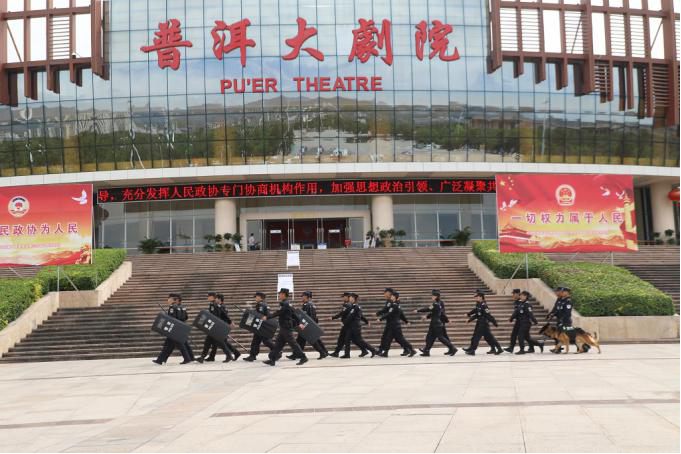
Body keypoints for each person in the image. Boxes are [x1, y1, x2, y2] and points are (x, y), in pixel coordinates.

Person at [263, 289, 308, 366]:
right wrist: (299, 323)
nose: (279, 295)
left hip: (286, 327)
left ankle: (303, 357)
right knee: (278, 344)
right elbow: (294, 314)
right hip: (284, 327)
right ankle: (272, 360)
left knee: (293, 343)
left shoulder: (284, 304)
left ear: (283, 294)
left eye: (280, 294)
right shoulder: (288, 303)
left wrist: (267, 317)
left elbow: (278, 312)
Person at [153, 293, 194, 365]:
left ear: (172, 299)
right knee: (169, 345)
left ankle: (187, 358)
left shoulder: (172, 307)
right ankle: (161, 360)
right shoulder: (181, 307)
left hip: (174, 329)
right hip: (180, 327)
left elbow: (172, 319)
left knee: (180, 344)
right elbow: (185, 317)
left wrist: (167, 317)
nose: (167, 300)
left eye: (169, 298)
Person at [288, 291, 328, 361]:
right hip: (307, 325)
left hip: (307, 326)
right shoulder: (309, 304)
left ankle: (322, 352)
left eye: (303, 296)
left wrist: (306, 325)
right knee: (300, 341)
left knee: (313, 341)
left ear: (306, 296)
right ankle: (296, 354)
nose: (302, 298)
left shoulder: (308, 305)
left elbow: (308, 317)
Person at [200, 293, 240, 362]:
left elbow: (223, 316)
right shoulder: (216, 305)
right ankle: (211, 356)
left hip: (220, 326)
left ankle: (231, 354)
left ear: (218, 299)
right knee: (215, 341)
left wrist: (230, 322)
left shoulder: (219, 306)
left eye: (216, 298)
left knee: (220, 342)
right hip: (218, 326)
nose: (215, 299)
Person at [416, 290, 457, 357]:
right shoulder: (438, 304)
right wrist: (447, 320)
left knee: (440, 337)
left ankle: (453, 348)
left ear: (436, 297)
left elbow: (428, 309)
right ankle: (426, 351)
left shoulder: (435, 304)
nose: (431, 297)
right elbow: (438, 313)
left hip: (436, 324)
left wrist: (418, 310)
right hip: (435, 323)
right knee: (429, 337)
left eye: (433, 296)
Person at [463, 291, 503, 356]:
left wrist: (494, 322)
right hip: (479, 322)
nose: (476, 298)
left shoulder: (484, 305)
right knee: (488, 337)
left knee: (476, 337)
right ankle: (497, 348)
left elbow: (488, 315)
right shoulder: (478, 304)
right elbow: (476, 313)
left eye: (477, 297)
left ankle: (472, 350)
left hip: (483, 323)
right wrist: (469, 317)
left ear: (481, 297)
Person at [377, 291, 416, 357]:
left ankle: (412, 349)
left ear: (394, 297)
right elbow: (401, 315)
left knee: (399, 339)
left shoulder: (394, 305)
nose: (391, 297)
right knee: (389, 339)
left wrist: (380, 319)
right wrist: (406, 321)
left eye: (392, 296)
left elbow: (389, 314)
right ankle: (385, 352)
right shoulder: (397, 305)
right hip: (394, 325)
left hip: (393, 325)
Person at [342, 293, 377, 358]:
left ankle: (373, 350)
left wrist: (344, 323)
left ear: (353, 298)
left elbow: (350, 316)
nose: (349, 298)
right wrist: (366, 321)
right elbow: (361, 316)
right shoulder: (353, 306)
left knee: (359, 340)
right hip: (351, 326)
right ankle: (347, 354)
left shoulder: (356, 307)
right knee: (347, 339)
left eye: (350, 297)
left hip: (355, 327)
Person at [243, 292, 275, 362]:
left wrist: (250, 317)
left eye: (256, 296)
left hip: (261, 326)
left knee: (266, 341)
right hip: (261, 326)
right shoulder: (264, 304)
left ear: (260, 297)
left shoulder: (261, 304)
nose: (255, 298)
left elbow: (259, 315)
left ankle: (277, 351)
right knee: (256, 341)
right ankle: (252, 356)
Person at [330, 292, 363, 357]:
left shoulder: (348, 305)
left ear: (348, 297)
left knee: (346, 339)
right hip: (347, 324)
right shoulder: (350, 305)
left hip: (347, 325)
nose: (343, 298)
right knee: (347, 339)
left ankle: (340, 353)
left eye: (344, 296)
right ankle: (337, 352)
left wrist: (333, 318)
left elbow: (343, 313)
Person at [504, 289, 524, 354]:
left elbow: (517, 312)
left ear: (517, 294)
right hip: (518, 321)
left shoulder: (521, 301)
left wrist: (511, 318)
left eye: (513, 293)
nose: (513, 295)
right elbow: (516, 312)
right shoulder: (516, 301)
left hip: (522, 321)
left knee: (524, 337)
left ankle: (522, 349)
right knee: (513, 335)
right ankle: (511, 348)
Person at [377, 288, 395, 354]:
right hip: (390, 322)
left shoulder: (393, 302)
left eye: (385, 293)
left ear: (389, 293)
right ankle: (381, 350)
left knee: (388, 338)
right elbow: (386, 310)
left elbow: (388, 312)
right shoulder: (389, 301)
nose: (384, 294)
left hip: (393, 323)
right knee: (386, 337)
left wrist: (380, 317)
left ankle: (383, 351)